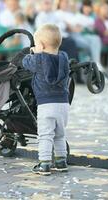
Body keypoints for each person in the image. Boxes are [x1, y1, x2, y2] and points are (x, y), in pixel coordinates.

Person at [22, 24, 69, 175]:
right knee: (60, 134)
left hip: (46, 104)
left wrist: (33, 53)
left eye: (36, 44)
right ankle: (61, 161)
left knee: (45, 135)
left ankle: (45, 164)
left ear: (41, 45)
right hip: (63, 104)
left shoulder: (39, 59)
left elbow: (25, 62)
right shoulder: (64, 57)